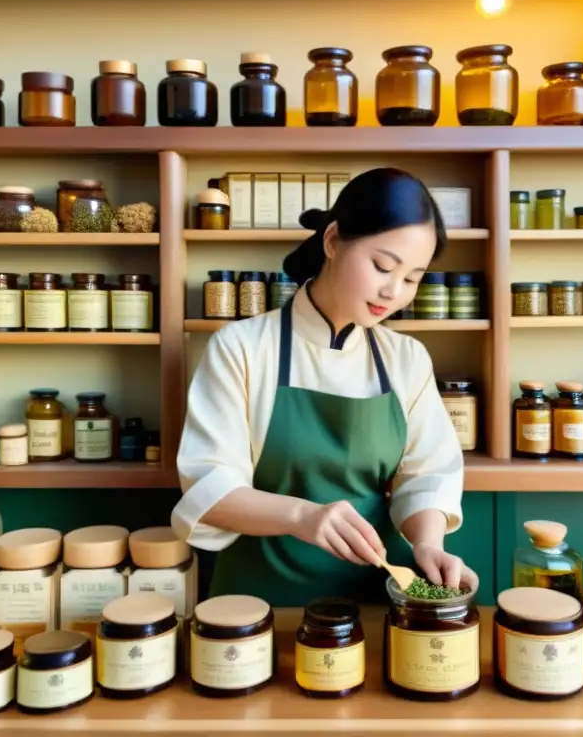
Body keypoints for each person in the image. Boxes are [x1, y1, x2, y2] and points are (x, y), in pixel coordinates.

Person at [171, 167, 472, 607]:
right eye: (382, 266)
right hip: (256, 604)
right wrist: (302, 516)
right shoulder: (242, 348)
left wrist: (428, 544)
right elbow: (208, 486)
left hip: (372, 597)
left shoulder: (406, 359)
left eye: (412, 278)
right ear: (332, 241)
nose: (392, 291)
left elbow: (425, 473)